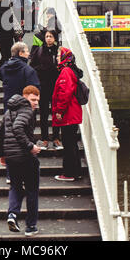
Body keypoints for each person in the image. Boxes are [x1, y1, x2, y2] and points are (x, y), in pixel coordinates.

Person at [0, 86, 41, 237]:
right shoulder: (27, 110)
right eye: (33, 100)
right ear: (25, 97)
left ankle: (12, 215)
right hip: (25, 156)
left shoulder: (9, 111)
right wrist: (31, 146)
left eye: (37, 100)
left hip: (11, 158)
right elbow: (18, 127)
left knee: (15, 187)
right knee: (32, 190)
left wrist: (1, 153)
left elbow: (0, 132)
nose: (35, 103)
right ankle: (31, 226)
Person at [52, 47, 83, 182]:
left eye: (59, 55)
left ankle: (69, 173)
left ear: (64, 57)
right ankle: (76, 172)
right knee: (72, 144)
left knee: (68, 144)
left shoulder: (65, 72)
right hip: (73, 113)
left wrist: (59, 111)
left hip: (68, 114)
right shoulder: (71, 71)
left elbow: (65, 94)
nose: (57, 57)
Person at [30, 30, 63, 150]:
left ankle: (56, 138)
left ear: (55, 38)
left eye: (51, 36)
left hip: (55, 86)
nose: (48, 38)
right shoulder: (39, 51)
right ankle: (44, 139)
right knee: (43, 113)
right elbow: (32, 66)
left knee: (56, 112)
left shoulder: (58, 51)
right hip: (43, 86)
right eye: (47, 36)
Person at [0, 42, 40, 113]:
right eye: (27, 51)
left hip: (8, 104)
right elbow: (34, 88)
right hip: (24, 106)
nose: (29, 54)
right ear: (20, 53)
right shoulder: (28, 70)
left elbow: (0, 76)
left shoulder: (4, 67)